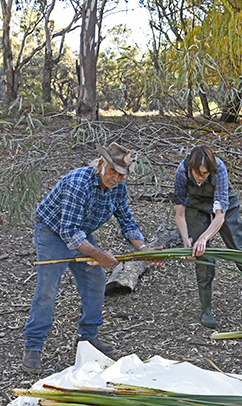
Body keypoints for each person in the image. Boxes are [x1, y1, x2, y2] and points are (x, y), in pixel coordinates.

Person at [22, 142, 160, 374]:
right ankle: (33, 346)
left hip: (80, 233)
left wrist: (144, 249)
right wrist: (98, 255)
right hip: (53, 232)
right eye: (112, 171)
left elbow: (127, 222)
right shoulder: (79, 183)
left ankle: (88, 338)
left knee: (95, 281)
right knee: (47, 289)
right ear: (100, 164)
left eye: (121, 174)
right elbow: (67, 232)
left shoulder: (118, 188)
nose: (115, 178)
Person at [173, 145, 242, 328]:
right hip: (195, 206)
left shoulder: (219, 169)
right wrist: (187, 241)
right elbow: (180, 213)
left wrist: (204, 237)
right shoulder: (181, 172)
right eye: (197, 173)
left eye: (205, 174)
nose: (200, 177)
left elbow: (220, 215)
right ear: (190, 167)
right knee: (202, 255)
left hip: (223, 207)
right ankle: (206, 311)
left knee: (241, 251)